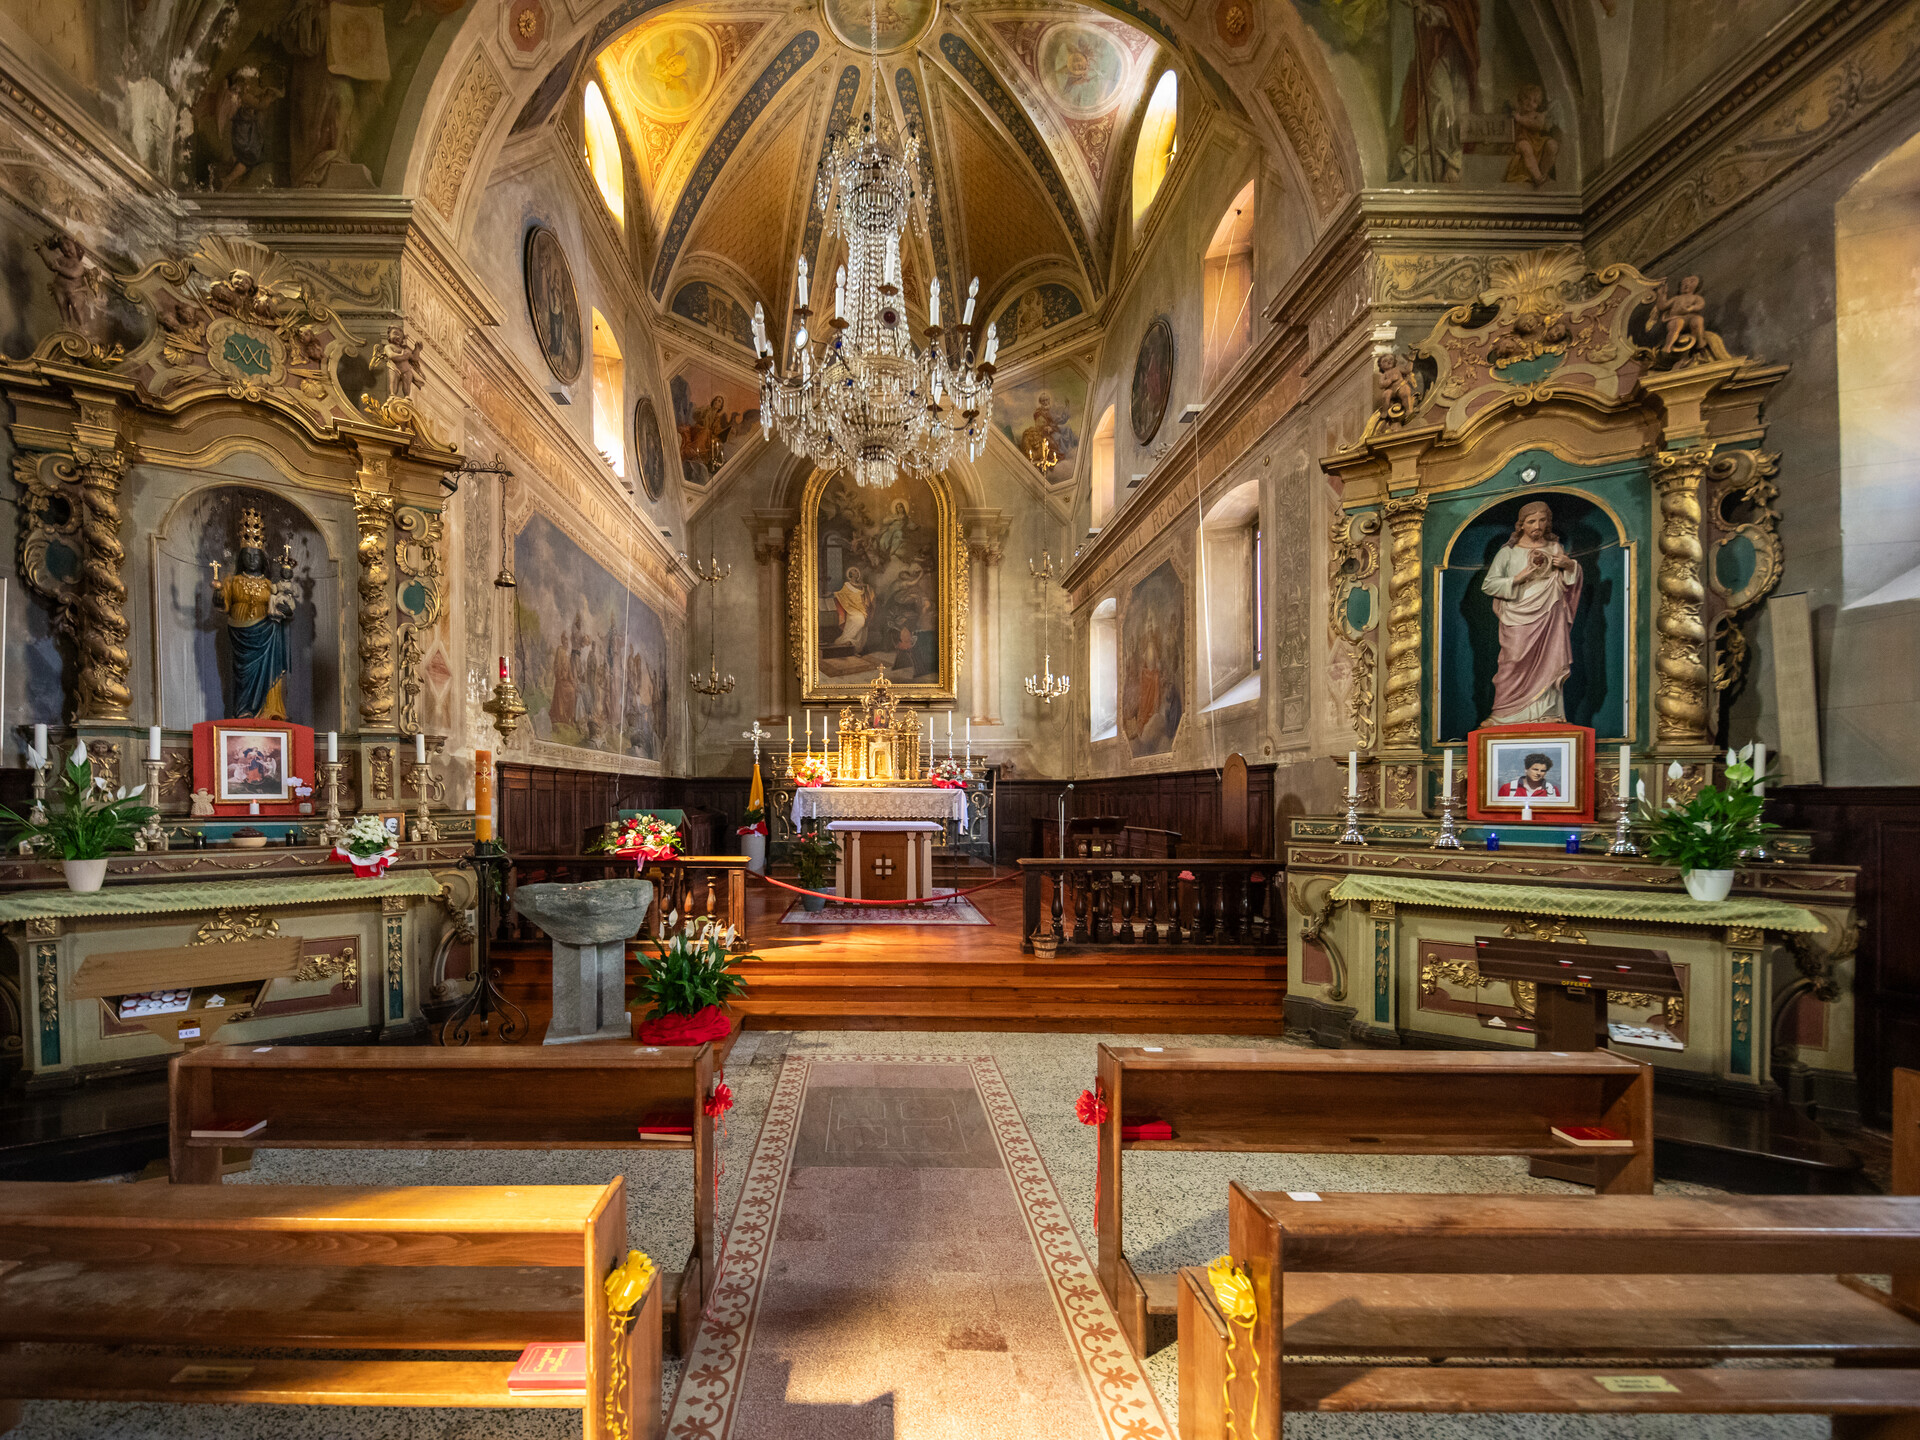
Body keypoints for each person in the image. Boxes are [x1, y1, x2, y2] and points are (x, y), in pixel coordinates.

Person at [1480, 498, 1582, 723]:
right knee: (1513, 659)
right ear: (1521, 525)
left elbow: (1570, 582)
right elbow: (1488, 585)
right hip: (1518, 613)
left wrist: (1569, 566)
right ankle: (1504, 714)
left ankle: (1546, 713)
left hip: (1550, 610)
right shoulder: (1508, 552)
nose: (1537, 526)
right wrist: (1518, 578)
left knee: (1550, 659)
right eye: (1531, 521)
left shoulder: (1555, 548)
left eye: (1542, 520)